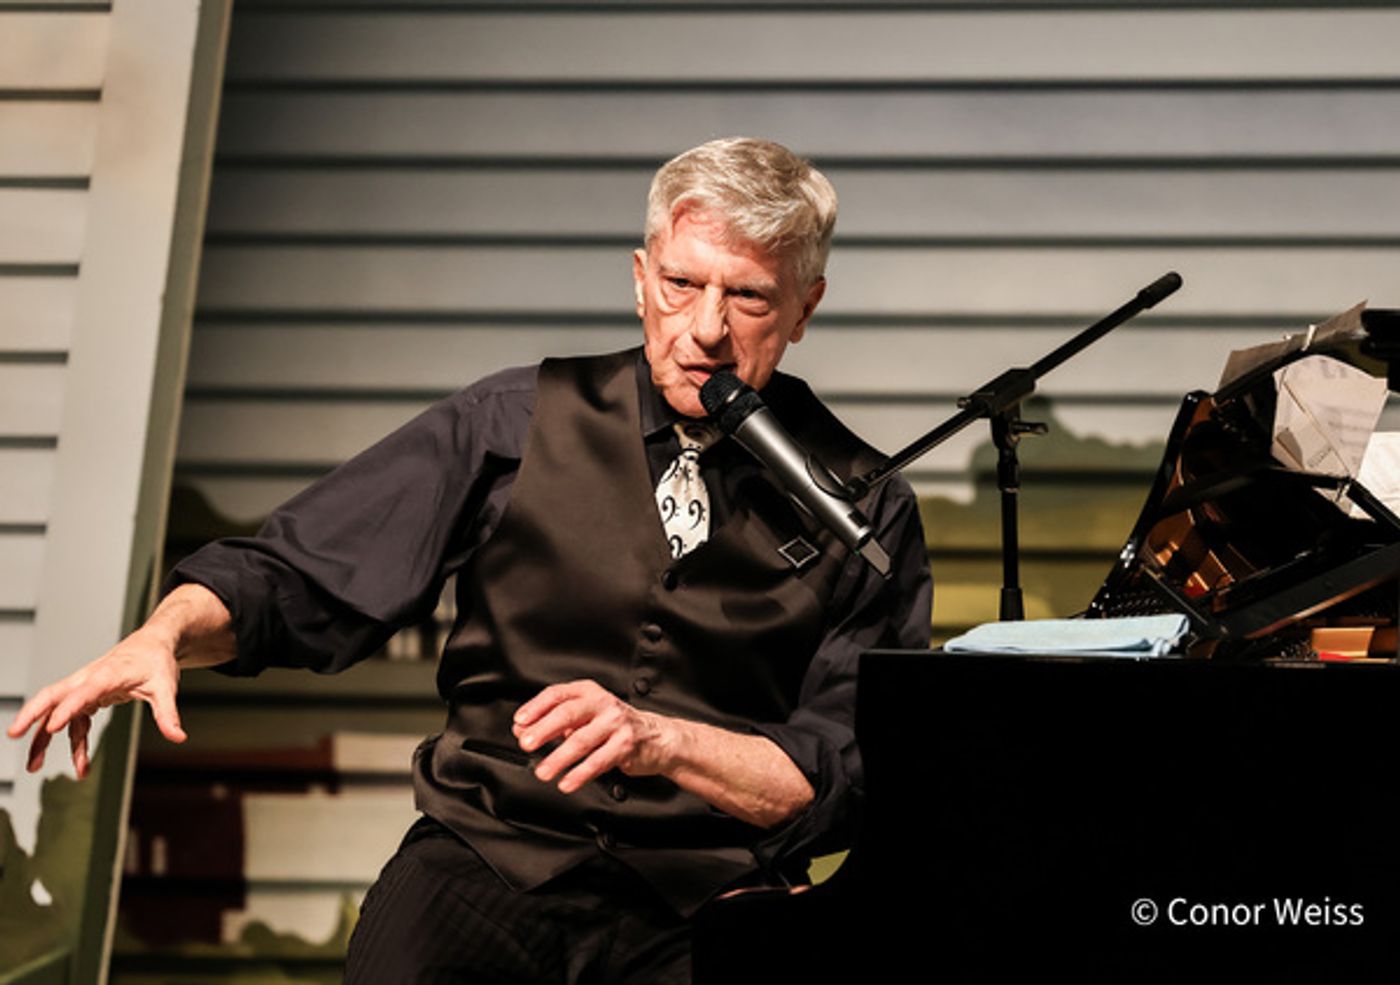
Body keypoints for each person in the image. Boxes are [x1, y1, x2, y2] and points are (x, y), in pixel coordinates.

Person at [9, 137, 932, 983]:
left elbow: (846, 773)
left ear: (806, 306)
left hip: (707, 901)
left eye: (748, 297)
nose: (704, 329)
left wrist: (665, 741)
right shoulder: (511, 419)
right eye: (682, 286)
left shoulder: (867, 502)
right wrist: (165, 633)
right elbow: (300, 571)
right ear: (640, 277)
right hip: (489, 854)